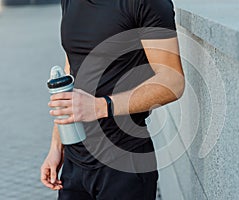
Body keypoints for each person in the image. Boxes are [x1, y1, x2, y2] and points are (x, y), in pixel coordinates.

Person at [40, 0, 185, 199]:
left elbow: (173, 81)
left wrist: (101, 106)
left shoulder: (146, 3)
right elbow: (72, 70)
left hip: (124, 162)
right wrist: (57, 145)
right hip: (75, 160)